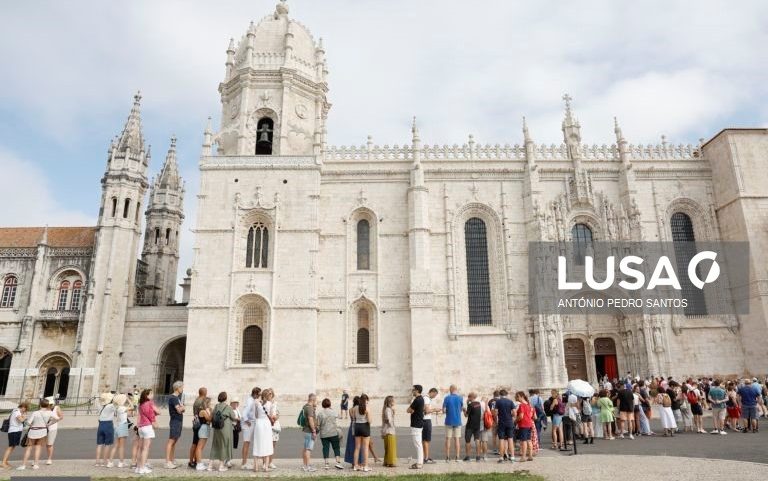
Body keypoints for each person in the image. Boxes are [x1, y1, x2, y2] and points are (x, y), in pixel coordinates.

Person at [18, 398, 57, 471]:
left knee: (28, 448)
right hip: (42, 431)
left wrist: (27, 422)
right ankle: (36, 464)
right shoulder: (50, 413)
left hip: (33, 431)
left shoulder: (35, 413)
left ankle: (23, 465)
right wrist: (49, 424)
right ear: (47, 405)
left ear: (40, 405)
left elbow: (28, 423)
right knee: (38, 448)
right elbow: (57, 418)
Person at [209, 392, 236, 472]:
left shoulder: (216, 406)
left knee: (215, 445)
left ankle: (210, 466)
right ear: (225, 398)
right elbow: (233, 417)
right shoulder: (228, 407)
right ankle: (221, 466)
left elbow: (212, 415)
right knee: (224, 445)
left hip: (217, 428)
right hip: (225, 428)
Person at [136, 389, 160, 475]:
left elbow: (142, 414)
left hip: (141, 427)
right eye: (151, 394)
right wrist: (154, 421)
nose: (152, 395)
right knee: (146, 448)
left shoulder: (141, 404)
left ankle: (138, 467)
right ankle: (142, 467)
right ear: (147, 395)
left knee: (140, 448)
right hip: (147, 426)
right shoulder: (149, 403)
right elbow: (155, 412)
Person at [316, 398, 343, 470]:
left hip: (324, 434)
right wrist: (332, 409)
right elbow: (341, 417)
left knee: (325, 448)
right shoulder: (333, 412)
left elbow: (318, 425)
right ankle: (338, 463)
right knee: (336, 447)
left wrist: (315, 432)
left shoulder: (320, 414)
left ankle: (326, 464)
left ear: (322, 405)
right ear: (330, 404)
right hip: (333, 433)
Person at [252, 388, 275, 472]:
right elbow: (272, 416)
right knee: (267, 443)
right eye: (269, 394)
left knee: (257, 443)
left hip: (259, 423)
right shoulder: (270, 404)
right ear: (267, 395)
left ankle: (256, 467)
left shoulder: (257, 403)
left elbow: (256, 415)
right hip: (266, 423)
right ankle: (265, 467)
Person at [1, 401, 28, 469]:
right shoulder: (17, 411)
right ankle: (3, 462)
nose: (25, 410)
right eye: (25, 408)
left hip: (16, 431)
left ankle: (5, 461)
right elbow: (21, 420)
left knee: (12, 447)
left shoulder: (16, 411)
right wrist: (24, 417)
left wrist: (23, 416)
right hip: (14, 431)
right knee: (10, 447)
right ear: (23, 407)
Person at [165, 381, 185, 469]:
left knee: (174, 441)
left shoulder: (177, 397)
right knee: (171, 441)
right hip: (175, 421)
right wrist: (182, 408)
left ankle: (171, 459)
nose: (182, 389)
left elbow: (182, 409)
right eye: (182, 387)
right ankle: (167, 461)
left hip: (178, 420)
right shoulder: (174, 398)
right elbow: (180, 410)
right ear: (178, 388)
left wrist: (182, 408)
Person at [109, 394, 132, 468]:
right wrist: (129, 400)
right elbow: (132, 407)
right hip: (123, 426)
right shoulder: (122, 408)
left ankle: (110, 462)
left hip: (117, 426)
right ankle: (121, 462)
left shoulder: (117, 408)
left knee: (116, 445)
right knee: (122, 446)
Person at [494, 389, 516, 463]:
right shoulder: (510, 401)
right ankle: (512, 457)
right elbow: (514, 413)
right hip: (509, 422)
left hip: (501, 422)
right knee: (510, 439)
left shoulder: (498, 402)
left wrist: (496, 420)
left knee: (501, 440)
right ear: (506, 394)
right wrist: (511, 417)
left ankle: (501, 458)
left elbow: (495, 413)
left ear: (500, 395)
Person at [442, 384, 463, 463]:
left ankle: (447, 457)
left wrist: (447, 411)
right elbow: (460, 409)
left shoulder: (447, 398)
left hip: (449, 421)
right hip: (457, 421)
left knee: (448, 439)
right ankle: (457, 457)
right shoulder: (460, 398)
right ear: (456, 389)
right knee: (457, 439)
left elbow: (443, 410)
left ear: (450, 390)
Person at [351, 393, 372, 472]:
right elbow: (369, 421)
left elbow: (353, 418)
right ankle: (366, 466)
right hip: (365, 426)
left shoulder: (355, 408)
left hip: (357, 426)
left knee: (357, 447)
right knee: (365, 447)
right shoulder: (367, 408)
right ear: (366, 400)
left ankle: (355, 465)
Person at [406, 385, 425, 469]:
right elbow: (412, 410)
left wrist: (412, 410)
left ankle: (419, 463)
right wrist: (412, 410)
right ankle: (420, 462)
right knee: (419, 444)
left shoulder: (417, 400)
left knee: (418, 444)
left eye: (413, 390)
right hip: (419, 423)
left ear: (417, 391)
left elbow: (408, 410)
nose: (412, 391)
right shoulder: (421, 399)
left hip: (416, 424)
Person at [95, 392, 116, 468]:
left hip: (100, 424)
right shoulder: (111, 406)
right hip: (108, 424)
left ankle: (97, 462)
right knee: (107, 444)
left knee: (99, 444)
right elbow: (117, 405)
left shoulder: (99, 405)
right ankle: (105, 461)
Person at [188, 386, 207, 469]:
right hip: (200, 423)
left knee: (194, 443)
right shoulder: (202, 401)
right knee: (197, 444)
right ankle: (194, 461)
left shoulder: (196, 400)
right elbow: (205, 411)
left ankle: (193, 460)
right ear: (204, 393)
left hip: (196, 422)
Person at [239, 387, 258, 469]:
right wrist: (247, 421)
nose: (259, 396)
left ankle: (244, 461)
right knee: (246, 443)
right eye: (259, 394)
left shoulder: (251, 400)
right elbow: (244, 413)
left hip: (249, 423)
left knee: (247, 443)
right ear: (255, 394)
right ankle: (244, 463)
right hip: (248, 424)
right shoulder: (250, 401)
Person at [262, 388, 280, 470]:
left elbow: (278, 413)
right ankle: (264, 463)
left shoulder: (275, 403)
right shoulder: (264, 404)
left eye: (271, 394)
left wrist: (276, 417)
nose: (270, 395)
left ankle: (270, 462)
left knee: (273, 445)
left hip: (274, 426)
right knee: (266, 445)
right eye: (269, 394)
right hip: (267, 426)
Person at [300, 393, 318, 472]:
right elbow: (310, 419)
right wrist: (314, 431)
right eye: (316, 401)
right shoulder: (310, 408)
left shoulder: (305, 406)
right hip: (309, 431)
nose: (316, 402)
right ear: (313, 400)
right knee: (308, 449)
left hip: (305, 430)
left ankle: (305, 465)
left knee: (305, 448)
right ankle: (307, 466)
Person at [462, 392, 482, 462]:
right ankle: (478, 456)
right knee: (477, 440)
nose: (468, 398)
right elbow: (473, 410)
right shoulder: (478, 404)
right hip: (477, 425)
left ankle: (468, 456)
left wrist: (464, 410)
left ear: (471, 397)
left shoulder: (470, 405)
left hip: (470, 425)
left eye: (468, 397)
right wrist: (468, 404)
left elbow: (466, 415)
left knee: (468, 441)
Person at [514, 392, 534, 462]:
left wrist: (516, 421)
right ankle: (530, 455)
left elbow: (521, 416)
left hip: (523, 424)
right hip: (529, 424)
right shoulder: (528, 404)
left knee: (523, 441)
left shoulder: (522, 405)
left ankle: (523, 457)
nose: (516, 398)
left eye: (517, 397)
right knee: (529, 440)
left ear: (521, 397)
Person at [193, 397, 212, 471]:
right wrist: (211, 412)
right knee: (199, 447)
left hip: (206, 428)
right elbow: (209, 419)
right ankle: (199, 463)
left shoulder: (205, 410)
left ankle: (199, 462)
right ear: (206, 404)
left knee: (201, 447)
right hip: (203, 428)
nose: (210, 404)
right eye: (209, 403)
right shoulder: (203, 411)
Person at [44, 397, 62, 465]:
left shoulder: (56, 408)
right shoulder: (43, 407)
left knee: (49, 444)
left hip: (52, 428)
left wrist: (52, 422)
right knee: (39, 444)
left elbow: (61, 417)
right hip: (43, 428)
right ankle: (35, 460)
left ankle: (49, 459)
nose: (50, 405)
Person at [422, 387, 438, 464]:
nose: (434, 397)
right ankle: (426, 458)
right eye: (435, 395)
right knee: (426, 440)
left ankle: (425, 456)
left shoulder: (425, 398)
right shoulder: (427, 399)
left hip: (424, 420)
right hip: (426, 421)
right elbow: (427, 411)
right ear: (432, 392)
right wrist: (435, 410)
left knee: (425, 440)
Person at [381, 395, 397, 467]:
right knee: (391, 448)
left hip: (387, 431)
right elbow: (388, 420)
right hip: (389, 431)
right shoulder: (388, 409)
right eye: (393, 400)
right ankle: (391, 462)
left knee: (387, 448)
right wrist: (392, 425)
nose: (394, 401)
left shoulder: (387, 409)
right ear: (391, 402)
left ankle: (386, 461)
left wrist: (393, 413)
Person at [229, 397, 241, 465]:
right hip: (232, 428)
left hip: (236, 429)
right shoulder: (230, 410)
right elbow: (233, 418)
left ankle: (229, 459)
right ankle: (227, 460)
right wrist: (238, 419)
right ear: (231, 404)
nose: (235, 404)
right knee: (230, 444)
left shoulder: (237, 409)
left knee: (234, 444)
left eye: (236, 403)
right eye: (234, 403)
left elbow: (240, 417)